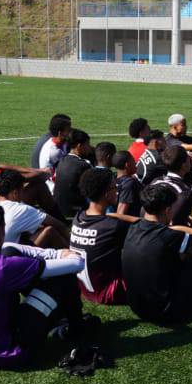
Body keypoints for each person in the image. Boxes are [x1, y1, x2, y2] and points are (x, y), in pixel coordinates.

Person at [0, 200, 86, 369]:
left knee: (10, 254)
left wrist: (50, 253)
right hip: (13, 354)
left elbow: (9, 248)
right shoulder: (2, 267)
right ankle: (78, 329)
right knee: (63, 279)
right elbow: (77, 263)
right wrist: (61, 253)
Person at [121, 182, 192, 325]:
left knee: (178, 256)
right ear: (168, 210)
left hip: (137, 307)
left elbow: (176, 229)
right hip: (166, 312)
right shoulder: (169, 236)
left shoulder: (135, 227)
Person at [69, 167, 136, 304]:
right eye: (114, 188)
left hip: (84, 289)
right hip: (110, 292)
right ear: (106, 194)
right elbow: (147, 230)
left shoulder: (79, 217)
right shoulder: (112, 226)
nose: (117, 191)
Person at [0, 169, 70, 249]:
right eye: (22, 189)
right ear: (15, 193)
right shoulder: (21, 209)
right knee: (49, 231)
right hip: (8, 257)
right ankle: (75, 255)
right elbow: (59, 225)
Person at [53, 129, 92, 220]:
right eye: (87, 144)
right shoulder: (84, 165)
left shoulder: (62, 160)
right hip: (76, 212)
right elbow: (92, 191)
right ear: (79, 146)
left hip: (59, 210)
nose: (90, 147)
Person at [113, 151, 142, 217]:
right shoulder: (129, 184)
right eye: (133, 161)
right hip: (131, 225)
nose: (136, 163)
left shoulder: (113, 178)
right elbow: (120, 214)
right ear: (127, 164)